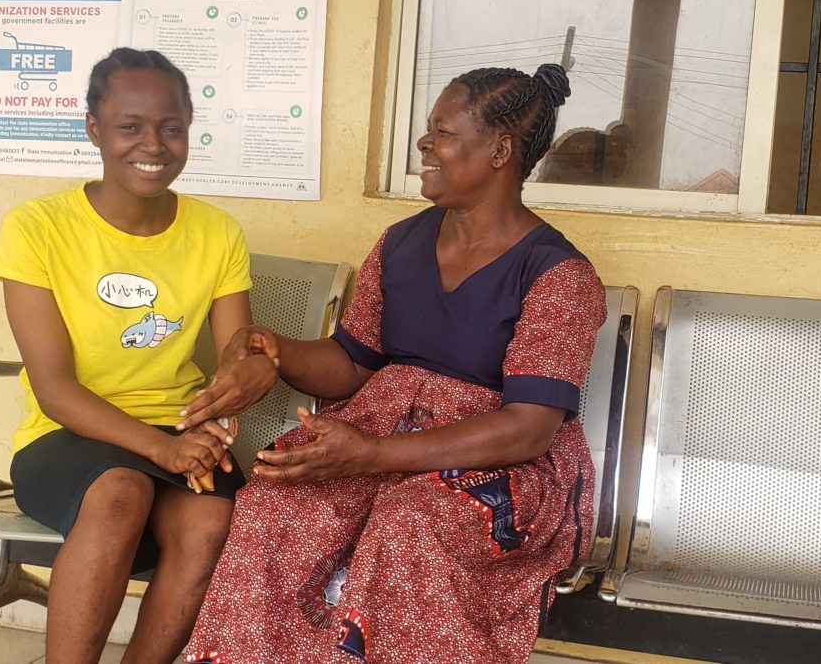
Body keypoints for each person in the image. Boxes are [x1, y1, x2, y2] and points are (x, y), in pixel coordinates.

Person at [182, 63, 606, 664]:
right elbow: (351, 363)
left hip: (499, 467)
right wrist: (274, 351)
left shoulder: (559, 275)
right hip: (381, 434)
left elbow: (529, 427)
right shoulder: (400, 243)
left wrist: (372, 455)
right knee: (275, 503)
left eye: (444, 132)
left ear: (500, 151)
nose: (424, 144)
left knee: (408, 526)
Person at [0, 48, 278, 663]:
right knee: (121, 492)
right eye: (130, 126)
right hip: (67, 434)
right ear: (93, 127)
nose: (153, 144)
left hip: (178, 432)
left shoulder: (217, 231)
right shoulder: (36, 227)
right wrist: (161, 447)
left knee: (209, 525)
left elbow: (235, 348)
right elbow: (55, 390)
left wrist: (248, 371)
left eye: (171, 127)